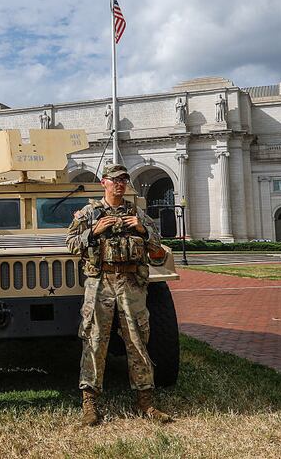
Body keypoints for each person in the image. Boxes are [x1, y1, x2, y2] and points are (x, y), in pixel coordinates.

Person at [66, 164, 172, 425]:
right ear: (104, 182)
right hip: (100, 282)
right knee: (94, 341)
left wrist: (143, 230)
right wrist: (94, 231)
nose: (119, 184)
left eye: (123, 180)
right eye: (114, 180)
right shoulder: (89, 214)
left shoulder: (137, 214)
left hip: (131, 284)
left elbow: (158, 248)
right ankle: (90, 404)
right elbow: (70, 244)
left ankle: (145, 402)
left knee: (138, 340)